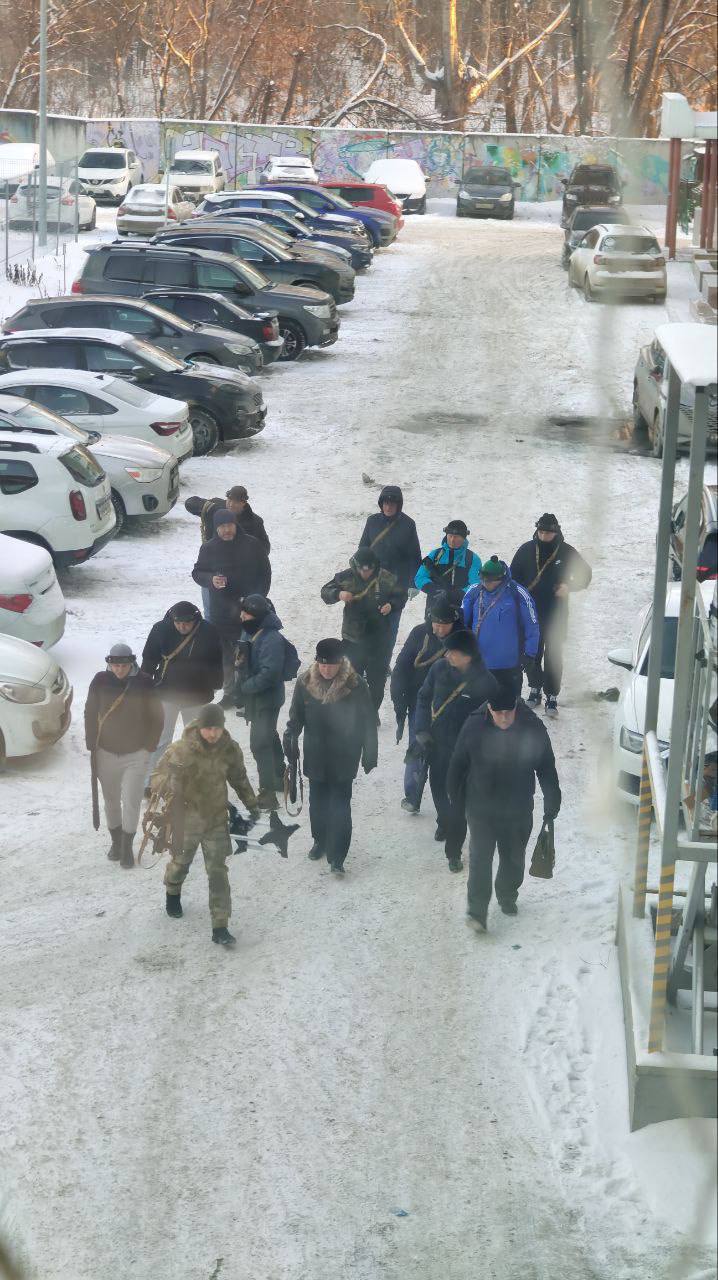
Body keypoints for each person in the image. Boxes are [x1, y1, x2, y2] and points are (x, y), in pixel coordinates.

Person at [448, 686, 561, 931]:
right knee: (480, 859)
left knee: (513, 858)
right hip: (480, 806)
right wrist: (454, 798)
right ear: (489, 708)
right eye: (498, 713)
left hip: (518, 807)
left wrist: (552, 797)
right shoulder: (474, 726)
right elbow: (457, 762)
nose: (504, 719)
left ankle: (507, 893)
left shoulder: (532, 726)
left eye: (509, 713)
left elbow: (546, 766)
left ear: (516, 708)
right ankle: (477, 912)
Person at [151, 703, 259, 946]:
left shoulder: (229, 750)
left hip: (215, 818)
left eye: (217, 728)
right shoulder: (180, 751)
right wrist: (172, 783)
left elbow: (239, 779)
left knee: (218, 871)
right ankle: (173, 891)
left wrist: (252, 804)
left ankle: (220, 926)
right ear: (200, 726)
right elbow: (156, 779)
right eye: (208, 728)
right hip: (187, 819)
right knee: (181, 863)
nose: (212, 734)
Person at [283, 638, 377, 874]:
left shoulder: (356, 685)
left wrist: (370, 752)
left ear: (340, 663)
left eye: (331, 665)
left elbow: (368, 721)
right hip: (316, 752)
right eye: (322, 664)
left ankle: (338, 856)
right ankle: (320, 840)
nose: (326, 669)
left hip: (345, 753)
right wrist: (290, 735)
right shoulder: (305, 682)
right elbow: (296, 716)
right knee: (318, 802)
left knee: (340, 804)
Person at [413, 631, 498, 872]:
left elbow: (495, 721)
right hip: (437, 746)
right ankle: (447, 822)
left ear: (469, 655)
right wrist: (421, 729)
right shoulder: (439, 669)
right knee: (439, 790)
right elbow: (423, 697)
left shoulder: (486, 683)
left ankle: (453, 851)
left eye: (454, 652)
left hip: (468, 755)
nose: (447, 655)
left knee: (460, 802)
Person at [85, 643, 163, 868]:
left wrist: (149, 746)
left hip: (136, 754)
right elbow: (90, 711)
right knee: (111, 801)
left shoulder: (144, 683)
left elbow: (157, 716)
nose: (119, 670)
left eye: (123, 665)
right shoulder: (100, 681)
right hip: (105, 752)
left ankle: (127, 846)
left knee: (131, 800)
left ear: (131, 663)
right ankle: (116, 842)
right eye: (115, 665)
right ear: (109, 664)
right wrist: (92, 742)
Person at [510, 513, 592, 717]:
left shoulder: (566, 551)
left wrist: (569, 586)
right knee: (532, 653)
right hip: (530, 613)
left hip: (556, 613)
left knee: (553, 655)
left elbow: (586, 574)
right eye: (541, 531)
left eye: (548, 532)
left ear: (556, 532)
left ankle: (552, 695)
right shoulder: (526, 550)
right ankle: (535, 689)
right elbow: (513, 578)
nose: (544, 535)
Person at [390, 594, 462, 813]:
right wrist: (398, 700)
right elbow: (402, 666)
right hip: (419, 704)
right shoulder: (419, 634)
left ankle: (450, 798)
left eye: (444, 624)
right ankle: (412, 795)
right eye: (436, 624)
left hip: (451, 708)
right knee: (417, 747)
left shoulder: (463, 640)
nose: (439, 629)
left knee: (449, 755)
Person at [191, 508, 271, 701]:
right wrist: (211, 580)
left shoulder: (252, 545)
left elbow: (265, 574)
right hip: (222, 612)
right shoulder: (208, 548)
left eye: (229, 525)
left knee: (248, 653)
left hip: (250, 611)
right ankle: (229, 692)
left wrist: (257, 600)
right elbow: (197, 572)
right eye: (222, 527)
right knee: (226, 656)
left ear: (235, 525)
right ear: (216, 528)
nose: (226, 530)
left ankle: (247, 691)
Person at [141, 600, 223, 786]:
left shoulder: (209, 632)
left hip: (197, 695)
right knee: (161, 739)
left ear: (195, 620)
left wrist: (216, 684)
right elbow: (149, 658)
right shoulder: (160, 629)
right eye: (178, 623)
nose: (182, 626)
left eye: (186, 623)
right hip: (166, 693)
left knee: (196, 740)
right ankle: (152, 781)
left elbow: (216, 662)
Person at [320, 547, 406, 709]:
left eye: (370, 570)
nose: (365, 573)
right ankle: (353, 712)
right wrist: (338, 594)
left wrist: (391, 605)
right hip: (353, 638)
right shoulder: (346, 577)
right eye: (362, 570)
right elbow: (325, 591)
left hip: (379, 639)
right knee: (350, 678)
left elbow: (401, 595)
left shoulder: (386, 578)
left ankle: (372, 713)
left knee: (377, 680)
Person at [235, 594, 288, 811]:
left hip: (266, 699)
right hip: (260, 699)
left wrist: (245, 687)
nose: (241, 617)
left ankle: (268, 793)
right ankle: (281, 777)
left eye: (245, 614)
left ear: (256, 616)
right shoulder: (255, 632)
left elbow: (270, 673)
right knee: (269, 736)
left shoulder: (271, 638)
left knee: (260, 743)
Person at [461, 555, 539, 700]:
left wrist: (530, 654)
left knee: (508, 709)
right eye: (483, 579)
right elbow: (461, 623)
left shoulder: (518, 593)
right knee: (477, 709)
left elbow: (532, 625)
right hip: (479, 664)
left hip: (509, 666)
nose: (485, 583)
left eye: (489, 581)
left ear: (501, 579)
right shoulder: (474, 591)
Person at [186, 487, 270, 619]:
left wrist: (250, 554)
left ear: (244, 503)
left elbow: (264, 553)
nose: (231, 504)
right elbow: (190, 504)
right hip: (217, 584)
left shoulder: (255, 523)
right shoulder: (215, 509)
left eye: (236, 502)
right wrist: (205, 507)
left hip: (244, 585)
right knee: (210, 615)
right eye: (229, 500)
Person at [359, 485, 421, 649]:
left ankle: (383, 662)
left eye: (392, 504)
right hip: (372, 582)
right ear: (381, 503)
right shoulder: (372, 521)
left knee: (390, 627)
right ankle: (367, 663)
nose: (388, 507)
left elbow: (415, 556)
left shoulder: (408, 525)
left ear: (399, 505)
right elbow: (363, 548)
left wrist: (414, 584)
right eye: (385, 503)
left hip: (396, 585)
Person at [414, 520, 482, 617]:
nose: (452, 540)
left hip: (461, 610)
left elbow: (475, 585)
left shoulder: (473, 559)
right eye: (450, 536)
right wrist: (434, 589)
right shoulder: (435, 555)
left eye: (456, 537)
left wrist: (454, 595)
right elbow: (419, 577)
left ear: (464, 538)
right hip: (434, 608)